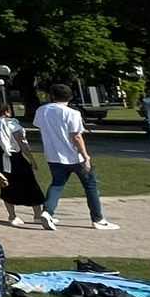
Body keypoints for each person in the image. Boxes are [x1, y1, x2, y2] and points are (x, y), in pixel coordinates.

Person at [35, 83, 119, 231]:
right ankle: (98, 218)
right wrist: (86, 156)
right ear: (70, 97)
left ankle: (47, 211)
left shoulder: (42, 110)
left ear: (52, 96)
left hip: (53, 154)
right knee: (90, 185)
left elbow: (41, 127)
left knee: (57, 184)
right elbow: (76, 136)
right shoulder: (72, 113)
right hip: (74, 156)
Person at [0, 101, 47, 228]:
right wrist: (31, 159)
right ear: (6, 112)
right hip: (12, 155)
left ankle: (12, 215)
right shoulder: (11, 123)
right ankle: (37, 214)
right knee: (30, 183)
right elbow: (21, 143)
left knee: (5, 183)